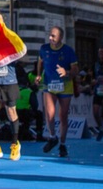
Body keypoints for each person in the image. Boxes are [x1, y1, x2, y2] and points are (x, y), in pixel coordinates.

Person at [38, 25, 78, 158]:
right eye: (50, 35)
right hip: (49, 85)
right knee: (49, 113)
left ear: (61, 37)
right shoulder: (44, 49)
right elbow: (40, 62)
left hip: (65, 86)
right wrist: (38, 75)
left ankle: (62, 144)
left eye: (53, 36)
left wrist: (66, 72)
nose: (50, 38)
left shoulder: (68, 51)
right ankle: (52, 136)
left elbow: (75, 70)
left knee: (63, 116)